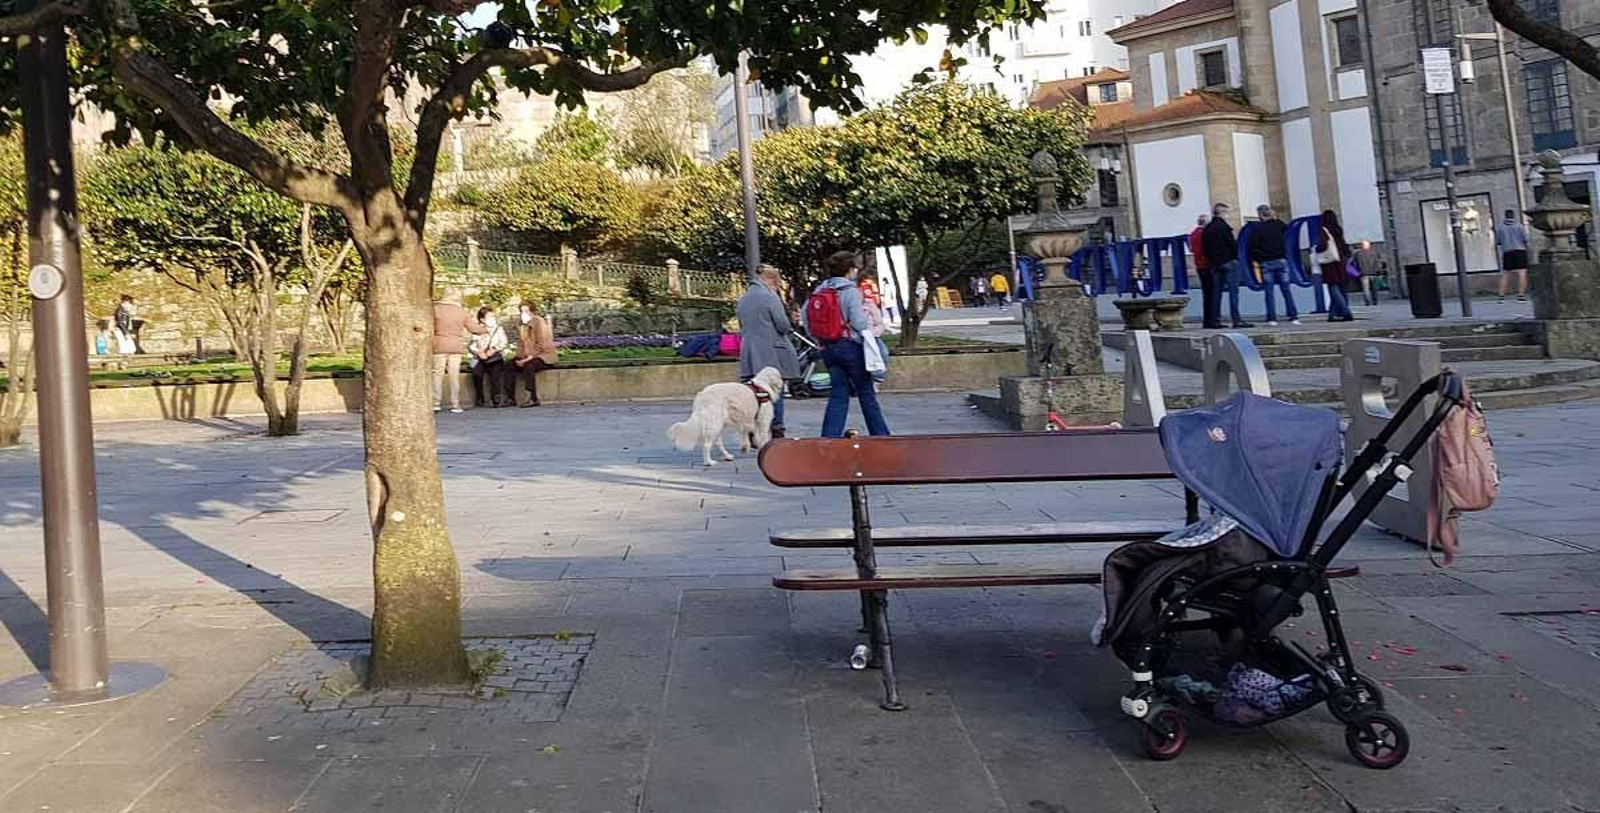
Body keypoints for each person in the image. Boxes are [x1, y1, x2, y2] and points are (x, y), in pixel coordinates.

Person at [804, 251, 890, 438]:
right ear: (850, 270)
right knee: (866, 394)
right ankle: (881, 436)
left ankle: (829, 438)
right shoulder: (850, 291)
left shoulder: (818, 291)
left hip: (828, 348)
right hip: (851, 346)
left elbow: (806, 318)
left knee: (838, 395)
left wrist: (819, 340)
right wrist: (869, 337)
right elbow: (858, 322)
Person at [737, 264, 802, 437]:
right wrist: (791, 322)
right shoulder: (769, 296)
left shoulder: (743, 299)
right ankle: (777, 428)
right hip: (771, 350)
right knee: (773, 390)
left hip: (749, 351)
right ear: (771, 280)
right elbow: (782, 325)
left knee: (753, 393)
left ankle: (751, 430)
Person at [432, 288, 486, 413]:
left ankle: (436, 403)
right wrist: (485, 329)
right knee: (454, 375)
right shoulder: (461, 312)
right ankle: (455, 404)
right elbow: (473, 328)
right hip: (456, 345)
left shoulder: (435, 310)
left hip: (439, 344)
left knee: (437, 374)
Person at [1201, 203, 1253, 329]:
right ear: (1221, 212)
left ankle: (1215, 320)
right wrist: (1235, 257)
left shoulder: (1208, 229)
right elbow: (1232, 244)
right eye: (1226, 212)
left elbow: (1205, 248)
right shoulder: (1224, 227)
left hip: (1214, 263)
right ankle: (1236, 319)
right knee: (1233, 292)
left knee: (1216, 293)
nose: (1227, 215)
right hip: (1228, 261)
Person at [1251, 204, 1300, 326]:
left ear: (1260, 215)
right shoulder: (1278, 225)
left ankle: (1272, 318)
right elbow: (1287, 232)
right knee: (1286, 290)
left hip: (1266, 262)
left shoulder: (1257, 229)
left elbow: (1253, 249)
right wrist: (1276, 218)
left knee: (1269, 291)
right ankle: (1293, 316)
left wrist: (1260, 259)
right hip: (1281, 260)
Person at [1316, 210, 1355, 322]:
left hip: (1330, 263)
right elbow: (1343, 245)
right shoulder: (1338, 230)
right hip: (1341, 261)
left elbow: (1322, 246)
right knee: (1342, 288)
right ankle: (1332, 314)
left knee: (1333, 287)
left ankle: (1346, 311)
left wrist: (1316, 249)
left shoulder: (1324, 230)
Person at [468, 306, 511, 408]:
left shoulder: (498, 329)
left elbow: (504, 342)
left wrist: (494, 349)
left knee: (495, 375)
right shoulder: (477, 330)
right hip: (481, 358)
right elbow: (471, 345)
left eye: (493, 316)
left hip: (494, 357)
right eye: (489, 317)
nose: (492, 319)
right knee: (477, 374)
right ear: (482, 319)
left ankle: (496, 398)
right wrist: (478, 352)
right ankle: (480, 398)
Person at [1188, 214, 1218, 328]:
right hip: (1207, 264)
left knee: (1206, 294)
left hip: (1199, 265)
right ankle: (1211, 320)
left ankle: (1207, 320)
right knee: (1212, 293)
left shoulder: (1193, 234)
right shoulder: (1205, 234)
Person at [1495, 209, 1530, 302]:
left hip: (1507, 252)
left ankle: (1501, 296)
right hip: (1520, 251)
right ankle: (1521, 296)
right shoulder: (1519, 226)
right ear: (1513, 216)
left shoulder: (1500, 228)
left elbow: (1498, 242)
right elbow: (1526, 239)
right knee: (1522, 273)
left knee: (1505, 274)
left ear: (1505, 216)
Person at [1352, 241, 1385, 306]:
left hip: (1363, 274)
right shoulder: (1374, 253)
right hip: (1374, 273)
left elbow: (1354, 264)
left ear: (1362, 246)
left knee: (1365, 289)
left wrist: (1357, 271)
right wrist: (1380, 271)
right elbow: (1378, 263)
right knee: (1374, 288)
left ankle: (1368, 302)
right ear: (1369, 246)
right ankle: (1375, 301)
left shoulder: (1358, 254)